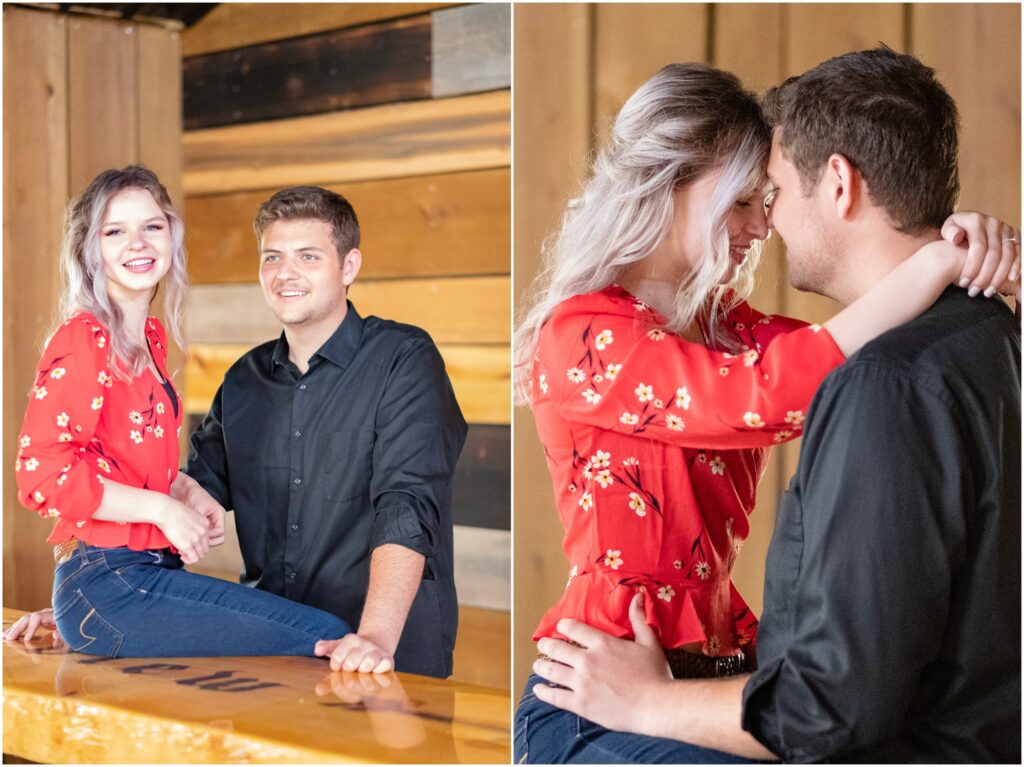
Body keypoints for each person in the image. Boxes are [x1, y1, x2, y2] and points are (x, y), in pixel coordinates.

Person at [513, 58, 1019, 762]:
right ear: (672, 185)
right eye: (745, 200)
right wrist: (936, 260)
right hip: (599, 687)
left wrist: (973, 251)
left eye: (768, 197)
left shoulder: (733, 329)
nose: (764, 224)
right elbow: (768, 391)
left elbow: (849, 357)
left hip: (717, 671)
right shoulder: (581, 334)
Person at [6, 166, 352, 658]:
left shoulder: (148, 339)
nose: (138, 244)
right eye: (115, 231)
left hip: (141, 574)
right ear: (92, 249)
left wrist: (182, 489)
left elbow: (119, 462)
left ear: (171, 234)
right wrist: (162, 511)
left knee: (326, 641)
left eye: (151, 226)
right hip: (111, 579)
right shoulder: (86, 338)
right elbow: (41, 475)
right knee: (330, 639)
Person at [177, 186, 466, 678]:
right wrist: (96, 594)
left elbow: (407, 506)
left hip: (387, 654)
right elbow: (186, 494)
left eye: (307, 256)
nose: (285, 273)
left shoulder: (404, 359)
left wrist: (374, 637)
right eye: (273, 257)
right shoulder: (243, 381)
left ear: (348, 267)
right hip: (273, 648)